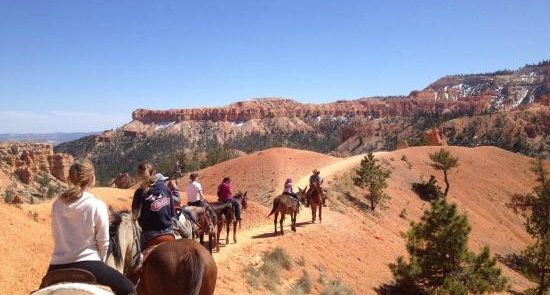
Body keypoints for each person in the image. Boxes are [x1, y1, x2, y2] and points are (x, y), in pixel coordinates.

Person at [45, 160, 135, 295]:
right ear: (92, 179)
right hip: (89, 264)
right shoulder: (96, 205)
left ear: (70, 178)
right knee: (129, 289)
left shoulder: (56, 204)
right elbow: (103, 243)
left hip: (56, 266)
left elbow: (56, 234)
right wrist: (101, 262)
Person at [131, 172, 176, 248]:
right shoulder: (166, 189)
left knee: (136, 255)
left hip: (149, 234)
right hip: (168, 231)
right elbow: (172, 213)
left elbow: (135, 216)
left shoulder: (139, 192)